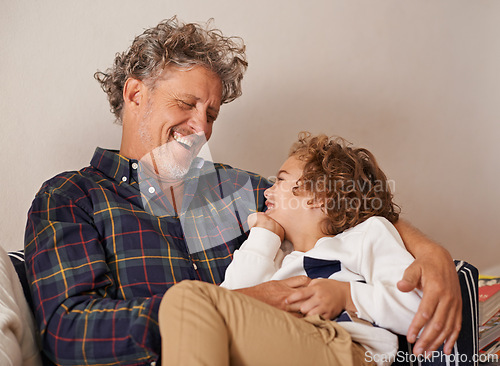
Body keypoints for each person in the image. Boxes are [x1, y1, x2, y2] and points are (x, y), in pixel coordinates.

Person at [24, 17, 461, 366]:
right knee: (189, 302)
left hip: (303, 348)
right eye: (186, 104)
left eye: (211, 112)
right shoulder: (72, 197)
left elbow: (340, 208)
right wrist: (222, 308)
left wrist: (430, 254)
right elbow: (68, 333)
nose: (202, 128)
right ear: (136, 93)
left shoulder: (242, 191)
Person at [158, 133, 421, 366]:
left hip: (343, 347)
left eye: (280, 181)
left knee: (186, 298)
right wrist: (263, 235)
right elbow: (228, 302)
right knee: (186, 305)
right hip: (283, 341)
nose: (267, 192)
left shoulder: (367, 235)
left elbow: (416, 309)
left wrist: (346, 295)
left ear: (320, 195)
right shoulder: (277, 255)